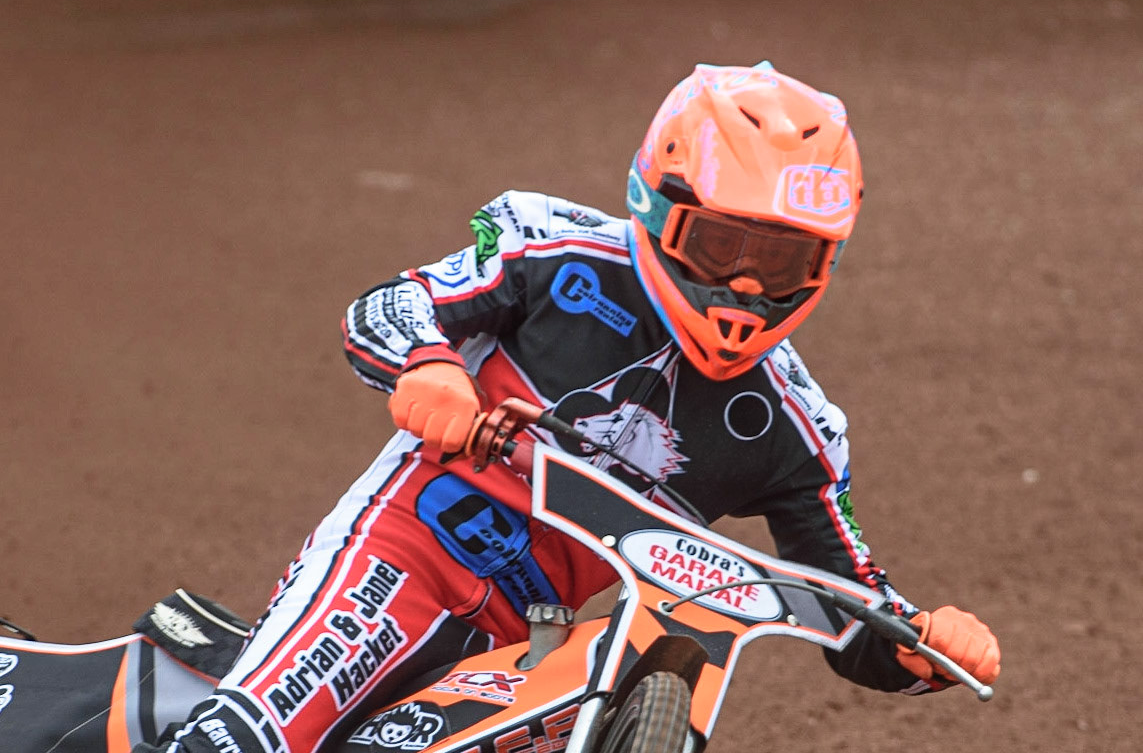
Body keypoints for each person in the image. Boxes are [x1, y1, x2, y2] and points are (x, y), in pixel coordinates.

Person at [140, 61, 1000, 753]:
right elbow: (387, 307)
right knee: (240, 741)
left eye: (779, 263)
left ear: (823, 265)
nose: (744, 285)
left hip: (538, 644)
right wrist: (430, 368)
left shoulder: (795, 427)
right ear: (659, 209)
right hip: (400, 554)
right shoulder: (545, 248)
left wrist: (924, 643)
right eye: (722, 245)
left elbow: (847, 602)